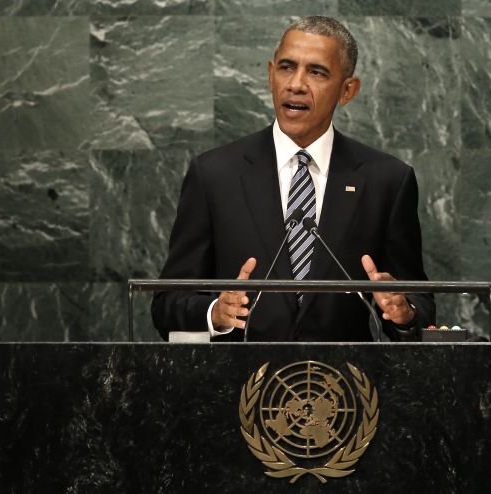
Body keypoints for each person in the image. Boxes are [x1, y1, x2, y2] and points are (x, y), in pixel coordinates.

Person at [151, 16, 435, 342]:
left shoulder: (387, 180)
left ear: (347, 90)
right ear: (271, 75)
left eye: (316, 72)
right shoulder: (214, 174)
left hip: (343, 386)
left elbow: (421, 306)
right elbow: (166, 303)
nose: (296, 84)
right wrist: (215, 312)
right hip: (239, 386)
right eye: (287, 67)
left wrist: (403, 313)